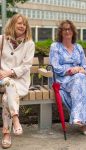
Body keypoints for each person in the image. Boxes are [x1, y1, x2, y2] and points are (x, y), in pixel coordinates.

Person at [49, 20, 86, 136]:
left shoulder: (78, 47)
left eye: (69, 29)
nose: (67, 31)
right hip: (61, 80)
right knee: (80, 78)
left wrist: (79, 70)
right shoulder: (55, 47)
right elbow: (56, 68)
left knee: (81, 78)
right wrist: (71, 71)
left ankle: (79, 118)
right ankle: (82, 123)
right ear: (61, 32)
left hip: (78, 81)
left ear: (73, 32)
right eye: (64, 29)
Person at [0, 13, 35, 148]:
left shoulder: (29, 44)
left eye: (24, 24)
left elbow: (26, 66)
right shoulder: (2, 40)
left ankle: (6, 134)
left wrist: (9, 73)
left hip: (20, 82)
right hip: (1, 80)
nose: (22, 26)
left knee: (5, 99)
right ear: (13, 24)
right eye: (19, 23)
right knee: (8, 82)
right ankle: (15, 119)